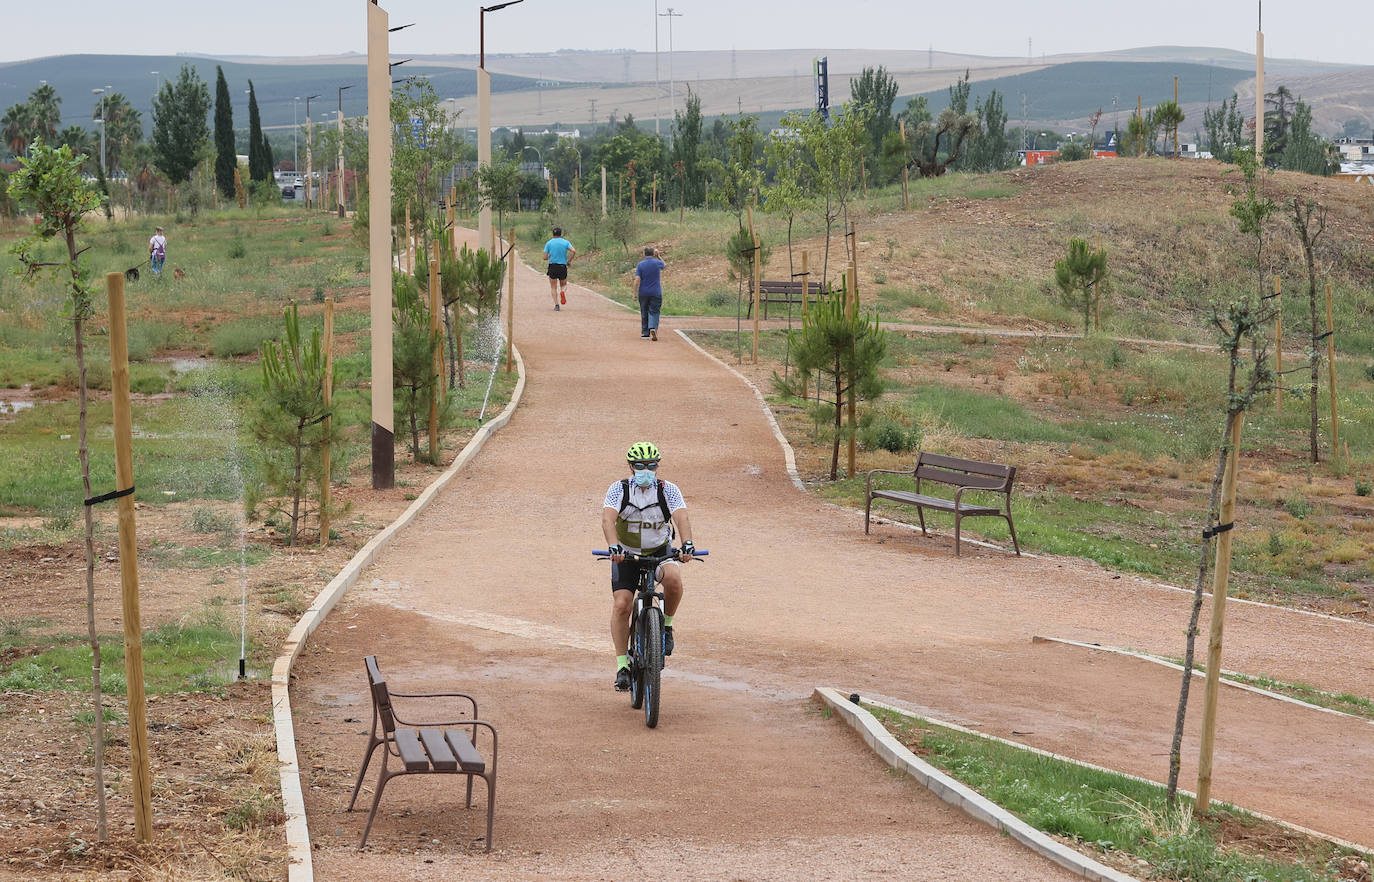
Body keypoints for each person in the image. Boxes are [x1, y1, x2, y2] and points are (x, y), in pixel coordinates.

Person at [602, 441, 695, 692]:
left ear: (657, 466)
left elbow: (681, 517)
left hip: (659, 551)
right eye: (641, 465)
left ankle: (666, 626)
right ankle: (623, 665)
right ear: (631, 466)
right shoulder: (619, 489)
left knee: (673, 580)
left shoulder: (668, 490)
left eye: (652, 465)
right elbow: (608, 519)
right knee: (622, 604)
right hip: (626, 555)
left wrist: (687, 544)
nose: (647, 469)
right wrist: (613, 547)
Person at [632, 245, 667, 340]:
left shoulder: (640, 265)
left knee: (644, 311)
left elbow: (637, 280)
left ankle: (645, 333)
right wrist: (659, 256)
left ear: (644, 254)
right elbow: (665, 265)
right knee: (654, 311)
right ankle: (652, 327)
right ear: (653, 254)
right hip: (656, 292)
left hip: (643, 292)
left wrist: (634, 293)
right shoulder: (657, 263)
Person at [542, 226, 576, 310]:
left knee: (553, 287)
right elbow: (573, 251)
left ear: (553, 234)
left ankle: (556, 305)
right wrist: (569, 261)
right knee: (564, 285)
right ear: (561, 234)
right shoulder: (566, 242)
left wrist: (550, 255)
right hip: (562, 266)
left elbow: (544, 257)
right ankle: (562, 292)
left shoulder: (549, 243)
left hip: (553, 266)